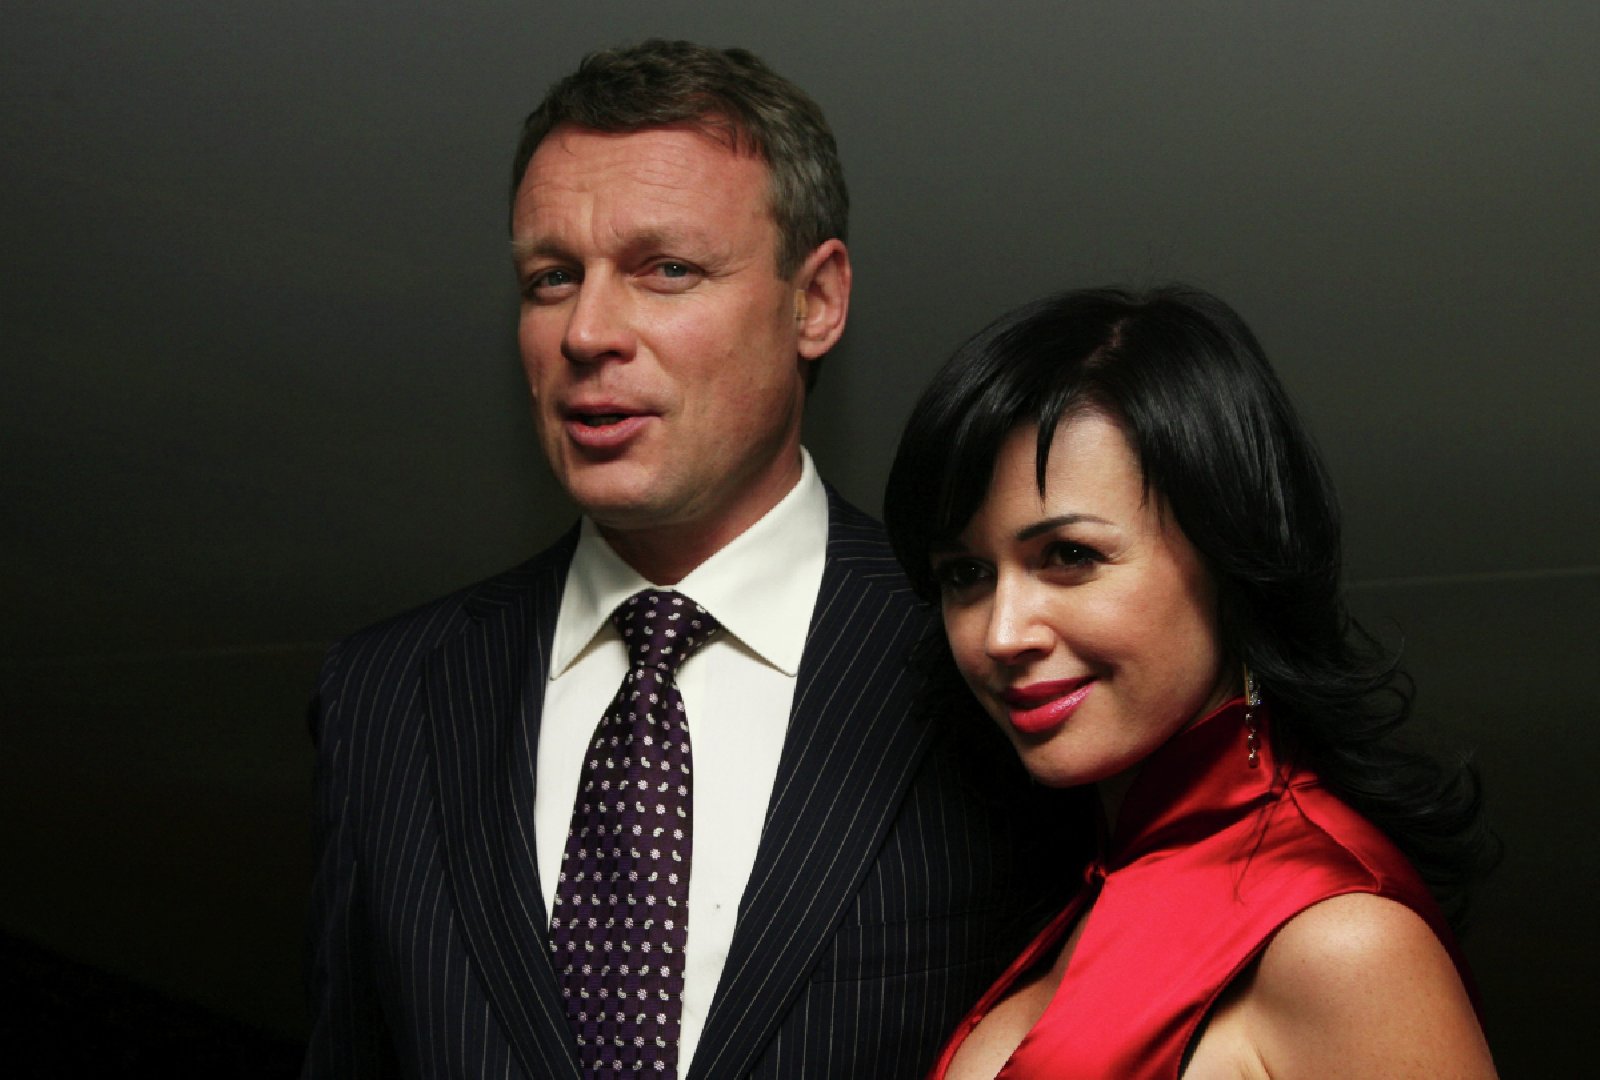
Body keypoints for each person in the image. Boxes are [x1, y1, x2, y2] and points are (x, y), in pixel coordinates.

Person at [302, 40, 1073, 1079]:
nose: (586, 332)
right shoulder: (385, 695)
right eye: (551, 278)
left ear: (815, 301)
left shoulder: (989, 655)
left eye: (665, 270)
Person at [883, 286, 1498, 1079]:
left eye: (1070, 556)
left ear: (1227, 556)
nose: (1001, 634)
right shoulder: (1080, 883)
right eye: (966, 574)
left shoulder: (1340, 941)